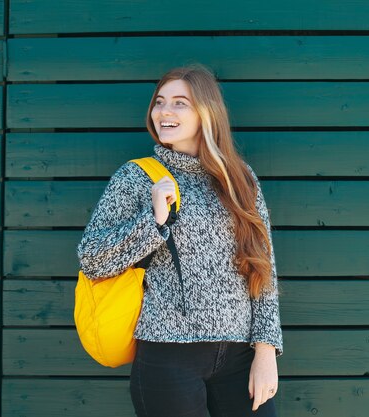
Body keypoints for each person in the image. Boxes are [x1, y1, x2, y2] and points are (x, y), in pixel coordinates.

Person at [76, 63, 283, 417]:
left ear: (207, 112)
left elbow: (262, 267)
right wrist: (153, 221)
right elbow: (92, 258)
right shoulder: (136, 177)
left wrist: (266, 351)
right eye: (159, 102)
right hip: (167, 356)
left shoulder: (240, 179)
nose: (164, 112)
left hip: (239, 356)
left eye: (179, 103)